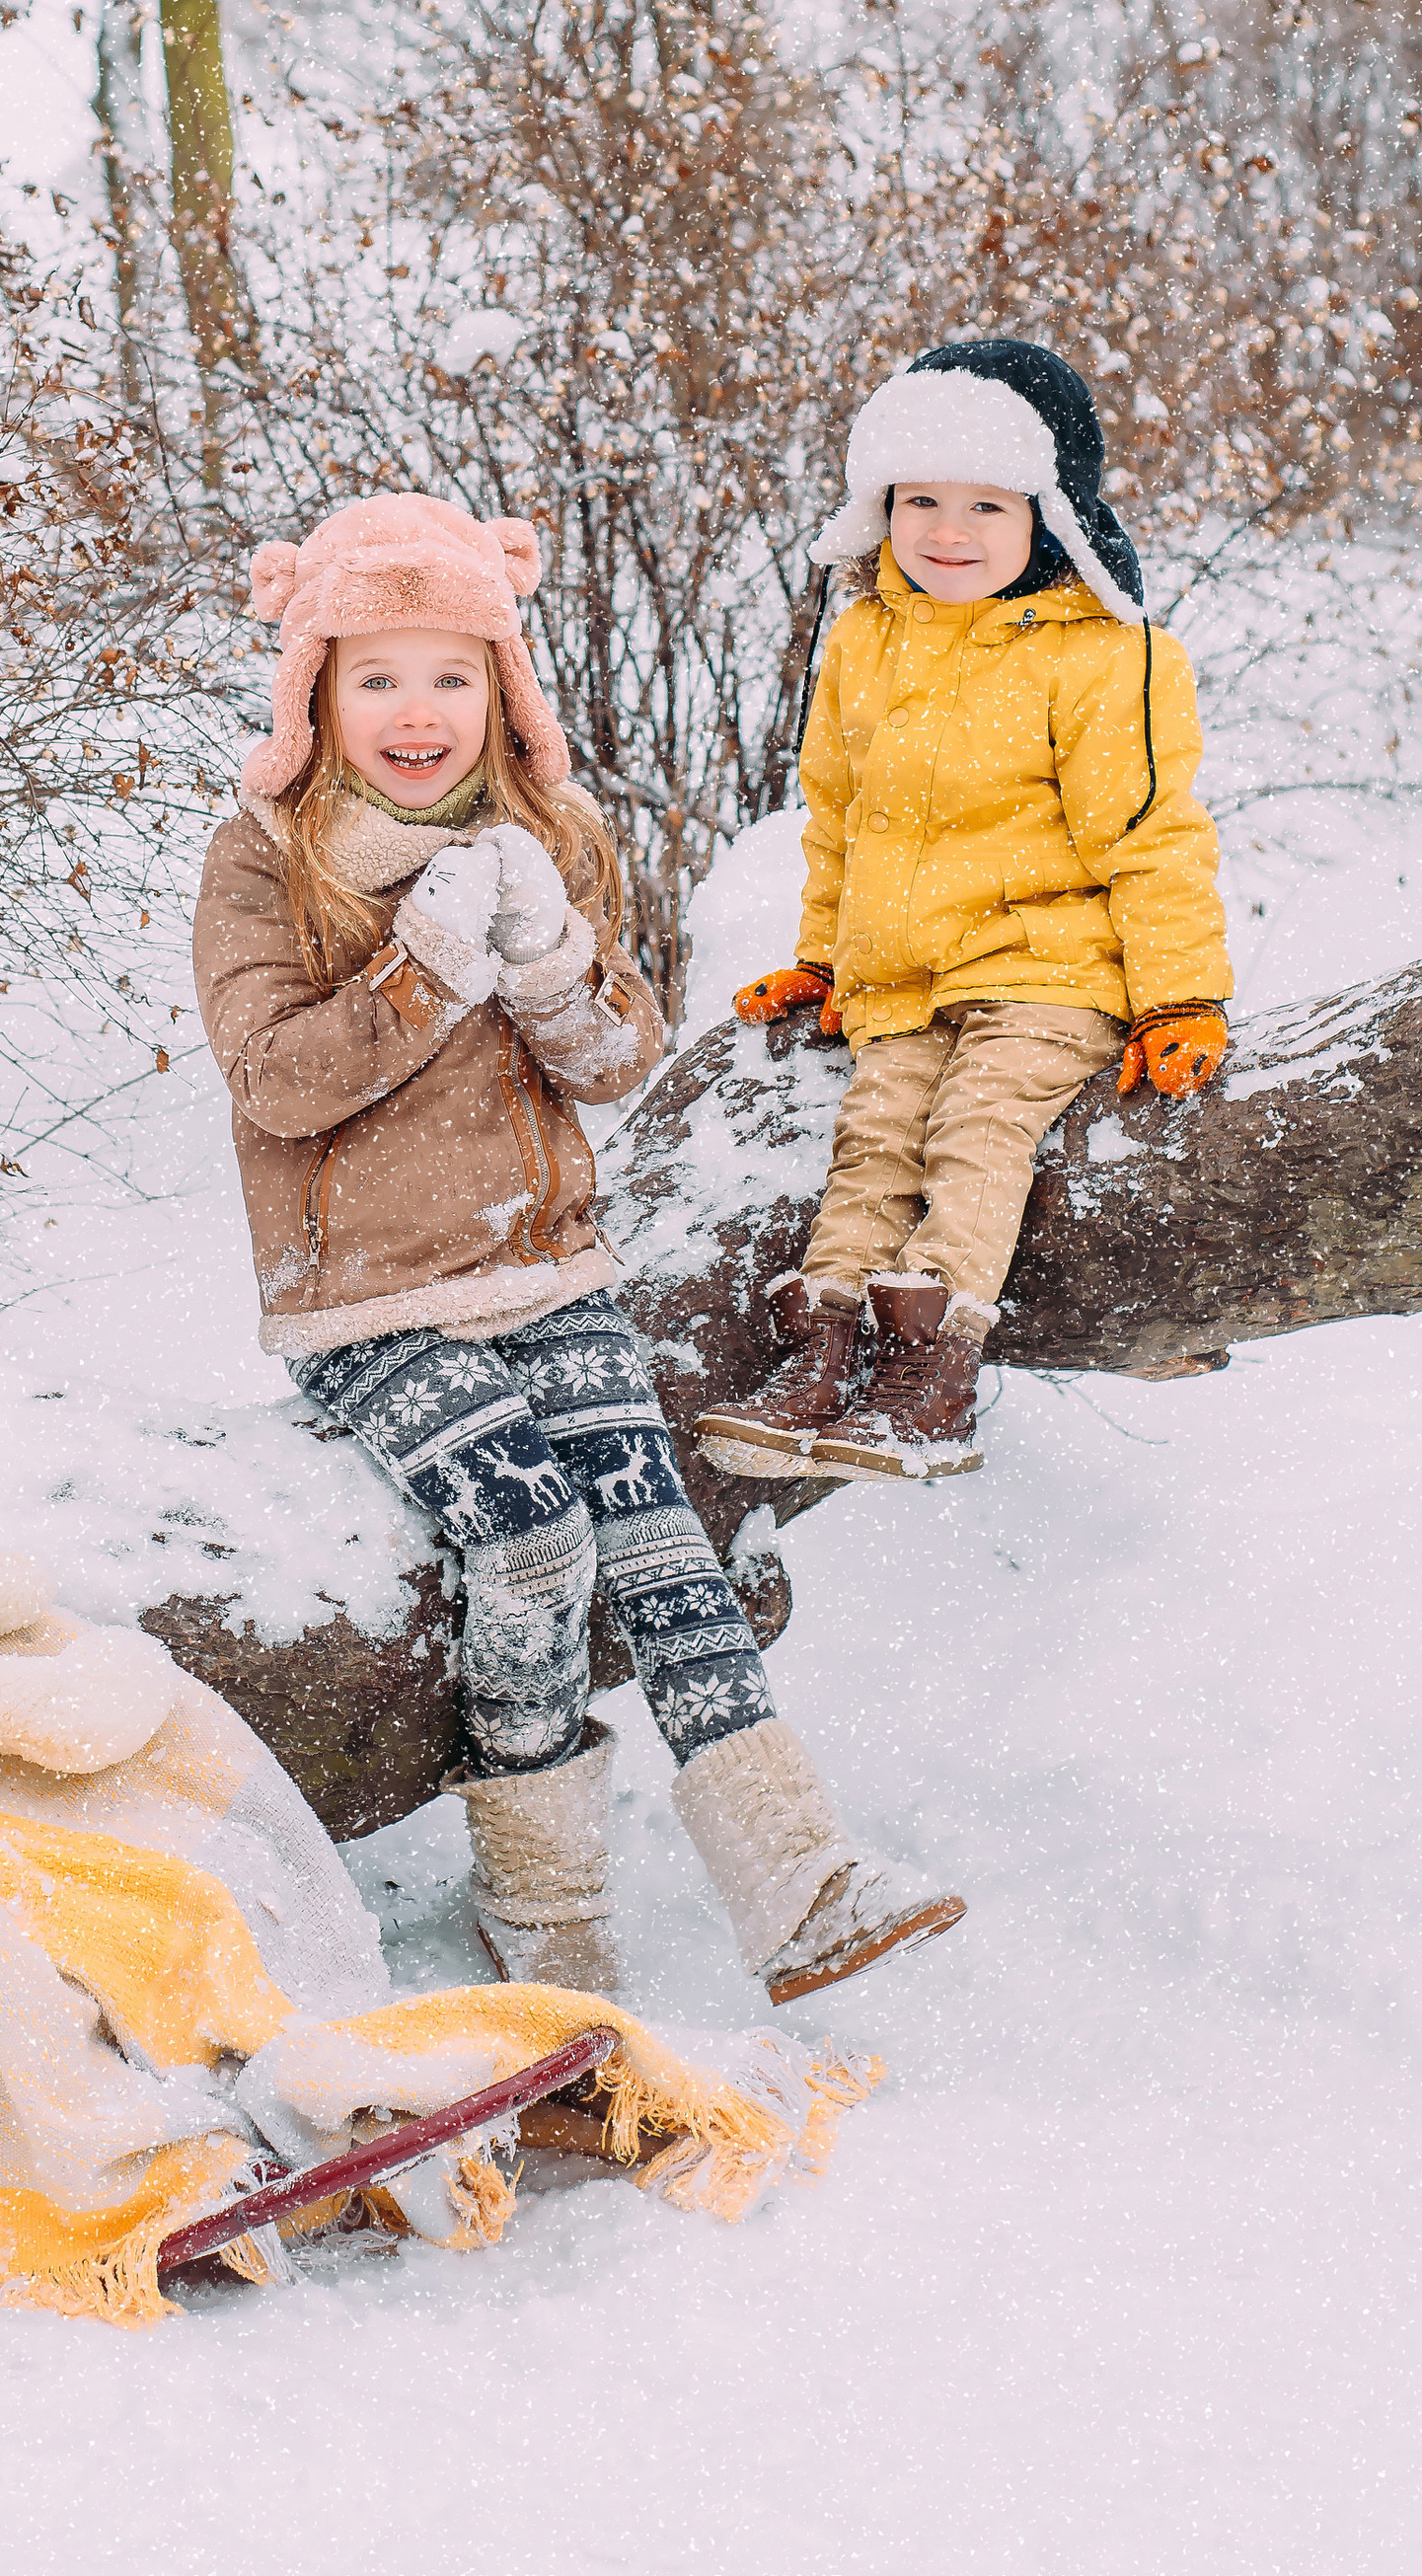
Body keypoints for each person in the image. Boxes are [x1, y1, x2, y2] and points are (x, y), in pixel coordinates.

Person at [193, 490, 963, 2006]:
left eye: (454, 675)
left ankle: (795, 1872)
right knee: (531, 1536)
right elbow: (272, 1077)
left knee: (663, 1541)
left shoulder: (556, 832)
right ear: (317, 693)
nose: (420, 712)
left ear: (504, 687)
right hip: (367, 1304)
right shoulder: (263, 859)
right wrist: (425, 970)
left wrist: (548, 957)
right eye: (378, 677)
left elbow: (619, 1057)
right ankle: (542, 1916)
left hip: (547, 1266)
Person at [699, 338, 1232, 1489]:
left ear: (1047, 514)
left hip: (1051, 972)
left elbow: (1151, 834)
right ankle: (820, 1355)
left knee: (977, 1135)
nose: (947, 529)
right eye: (919, 499)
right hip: (904, 980)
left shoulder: (1108, 657)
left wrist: (1179, 995)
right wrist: (824, 960)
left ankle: (926, 1377)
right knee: (871, 1150)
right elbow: (842, 820)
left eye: (985, 504)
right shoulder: (865, 638)